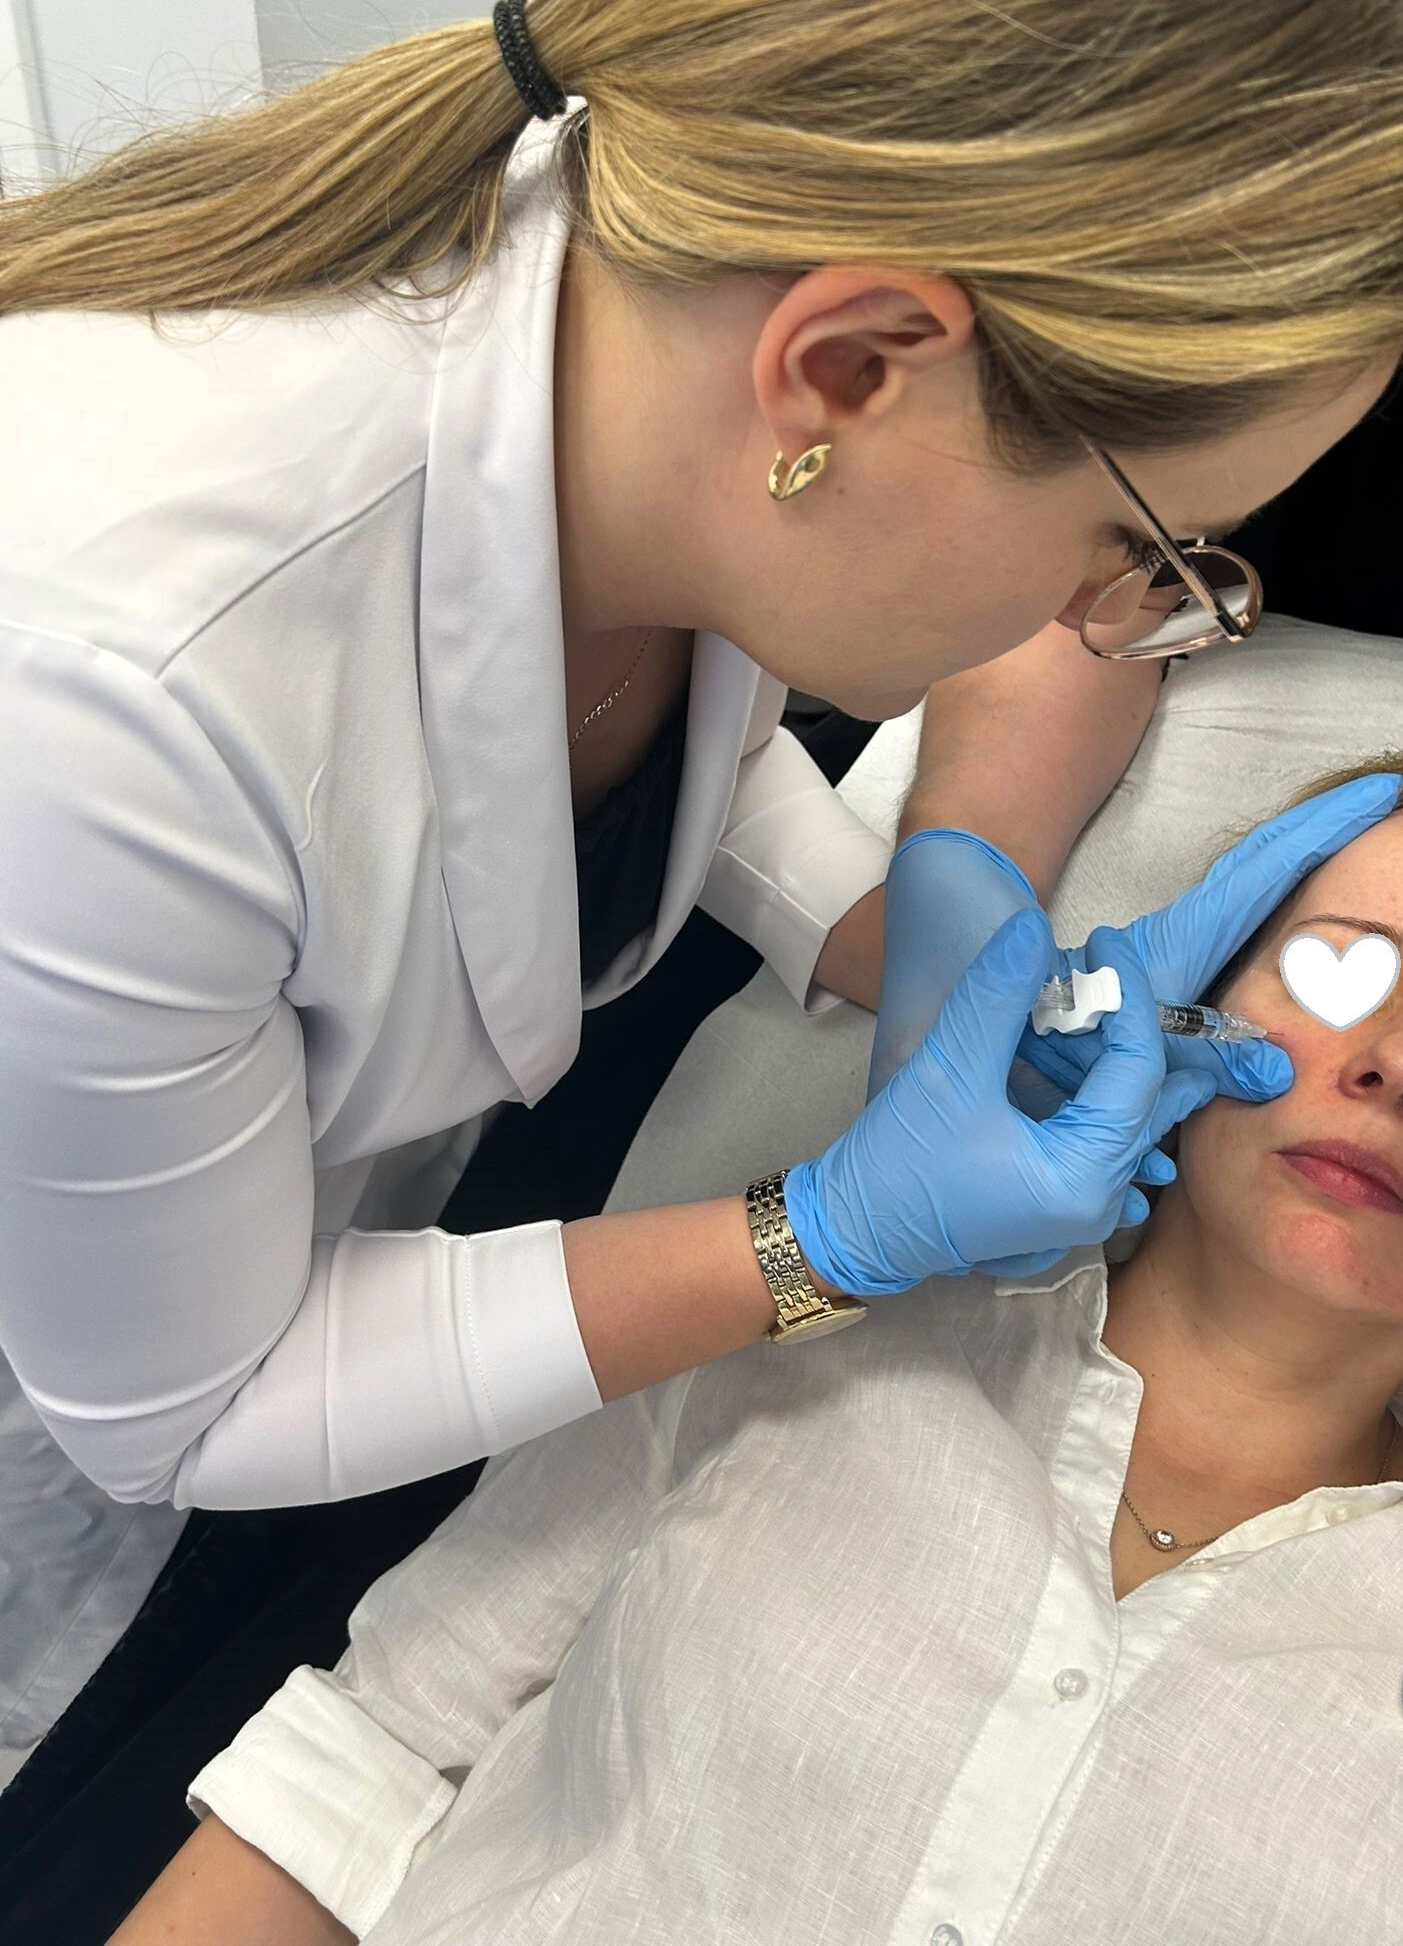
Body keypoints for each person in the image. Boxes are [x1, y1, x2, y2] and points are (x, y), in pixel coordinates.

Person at [3, 0, 1403, 1915]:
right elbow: (199, 1403)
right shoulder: (99, 698)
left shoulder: (665, 389)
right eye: (1140, 548)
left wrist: (910, 941)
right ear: (848, 367)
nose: (1112, 624)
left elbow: (644, 724)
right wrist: (816, 1238)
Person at [109, 755, 1403, 1946]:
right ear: (1186, 1008)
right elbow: (380, 1755)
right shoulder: (786, 1329)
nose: (1394, 1067)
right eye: (1347, 968)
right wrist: (821, 1245)